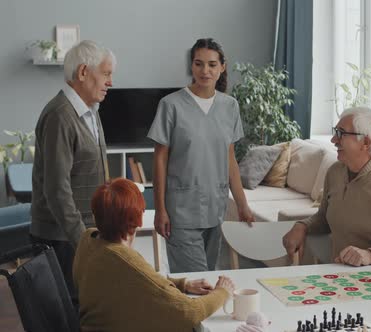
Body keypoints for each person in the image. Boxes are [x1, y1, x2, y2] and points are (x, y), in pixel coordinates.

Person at [148, 38, 254, 273]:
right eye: (199, 64)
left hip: (215, 211)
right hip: (180, 212)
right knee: (197, 283)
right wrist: (160, 209)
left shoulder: (230, 106)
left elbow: (230, 160)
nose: (205, 71)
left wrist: (243, 205)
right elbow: (160, 159)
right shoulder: (171, 105)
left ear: (222, 67)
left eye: (212, 65)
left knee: (206, 281)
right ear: (191, 66)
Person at [73, 178, 234, 332]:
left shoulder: (89, 239)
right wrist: (221, 292)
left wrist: (182, 284)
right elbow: (189, 312)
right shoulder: (125, 260)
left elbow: (136, 284)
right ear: (136, 219)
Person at [282, 107, 371, 266]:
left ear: (365, 142)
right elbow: (324, 218)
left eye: (341, 133)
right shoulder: (335, 172)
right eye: (335, 131)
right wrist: (302, 226)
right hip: (338, 277)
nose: (333, 140)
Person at [30, 40, 115, 302]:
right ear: (82, 73)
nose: (110, 82)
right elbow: (57, 190)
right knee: (68, 315)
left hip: (84, 235)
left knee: (87, 309)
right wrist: (83, 241)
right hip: (63, 240)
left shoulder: (91, 111)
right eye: (106, 73)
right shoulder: (59, 115)